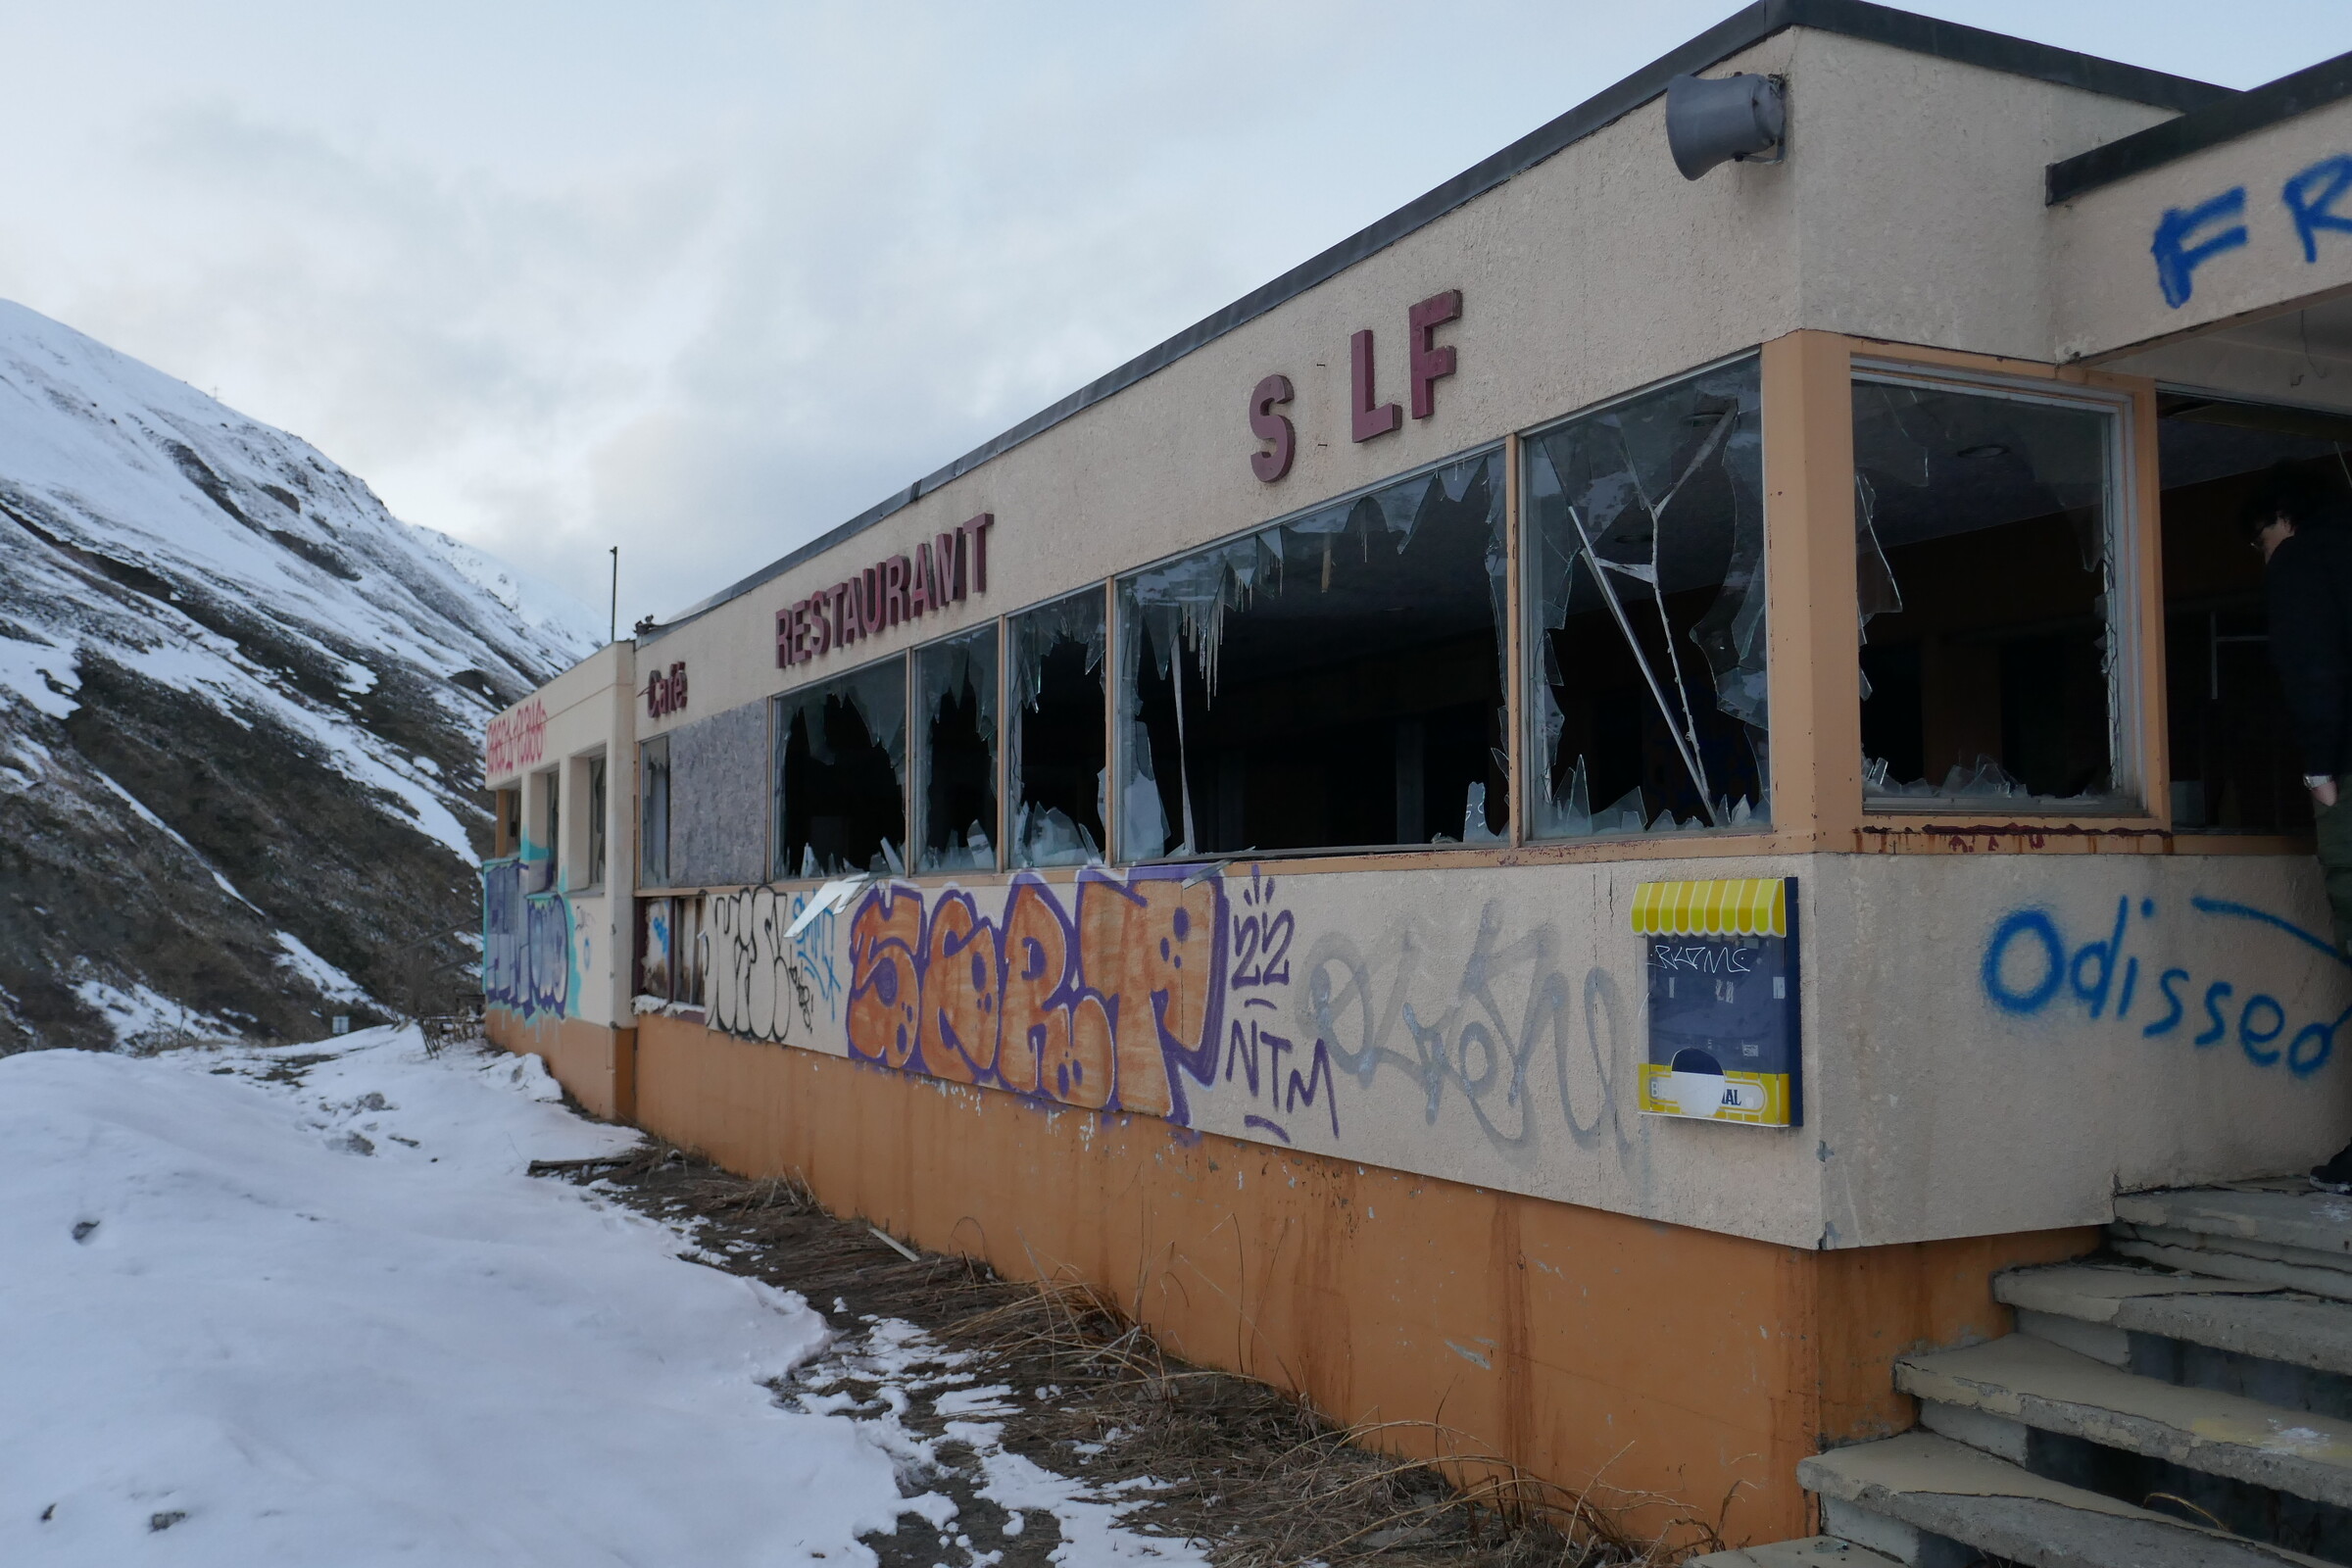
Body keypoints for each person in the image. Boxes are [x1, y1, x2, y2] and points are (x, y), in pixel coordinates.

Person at [2246, 464, 2352, 1191]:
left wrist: (2320, 774)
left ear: (2282, 518)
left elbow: (2312, 670)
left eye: (2261, 542)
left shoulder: (2303, 560)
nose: (2265, 558)